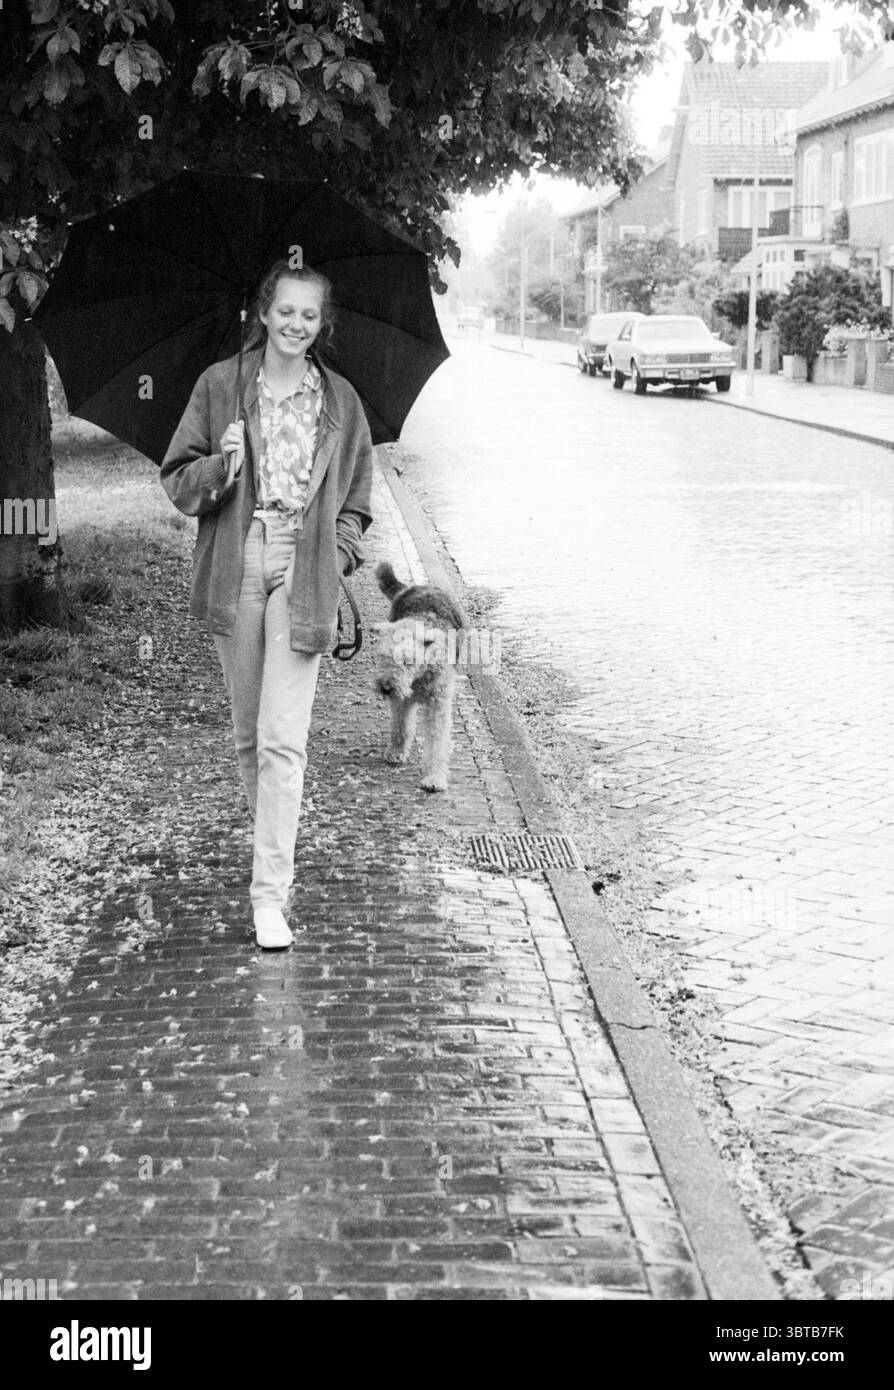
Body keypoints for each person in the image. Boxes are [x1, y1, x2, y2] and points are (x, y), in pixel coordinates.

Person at [160, 261, 374, 949]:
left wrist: (335, 553)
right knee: (250, 737)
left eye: (310, 316)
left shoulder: (340, 400)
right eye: (286, 311)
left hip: (306, 564)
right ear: (263, 311)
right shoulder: (221, 385)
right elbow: (179, 482)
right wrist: (221, 465)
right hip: (239, 556)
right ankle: (270, 851)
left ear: (323, 323)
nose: (296, 325)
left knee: (285, 740)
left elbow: (358, 502)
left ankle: (268, 897)